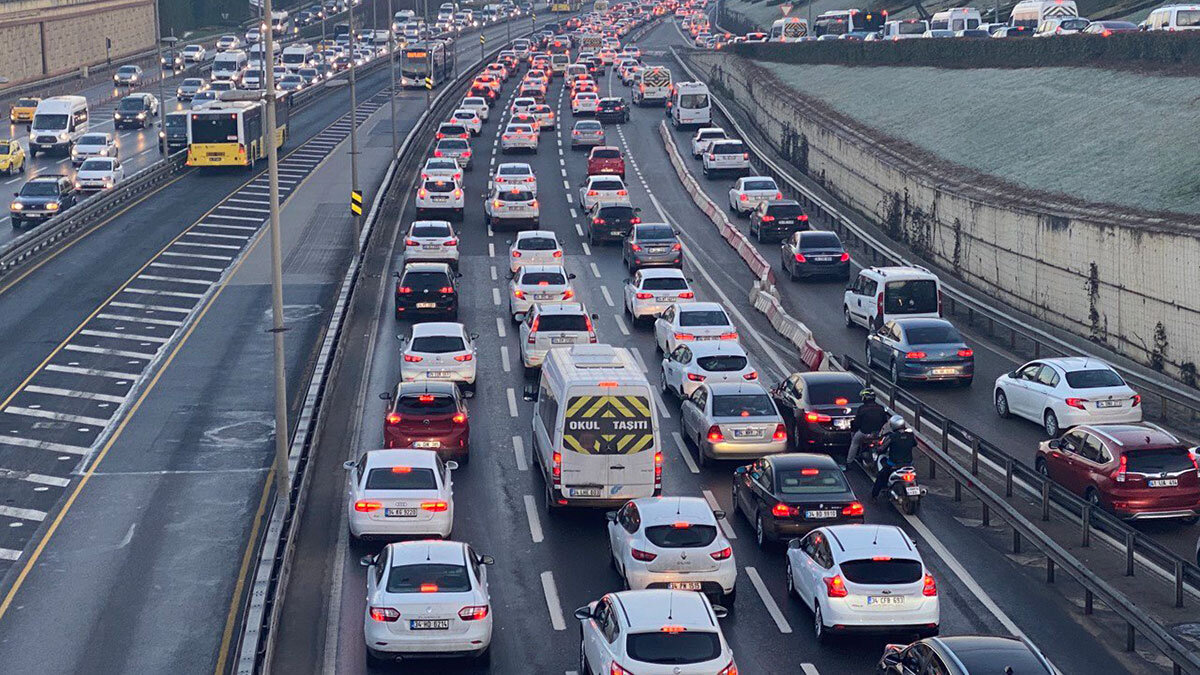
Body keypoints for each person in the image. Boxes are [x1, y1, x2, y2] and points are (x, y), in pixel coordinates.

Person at [872, 414, 916, 499]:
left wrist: (878, 449)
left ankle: (874, 495)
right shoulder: (910, 435)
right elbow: (915, 444)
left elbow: (882, 449)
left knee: (881, 476)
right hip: (909, 463)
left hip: (894, 464)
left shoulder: (892, 437)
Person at [845, 388, 887, 467]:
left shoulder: (862, 408)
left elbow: (857, 423)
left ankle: (849, 462)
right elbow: (885, 421)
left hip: (864, 433)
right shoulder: (881, 408)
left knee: (854, 442)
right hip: (878, 434)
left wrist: (853, 430)